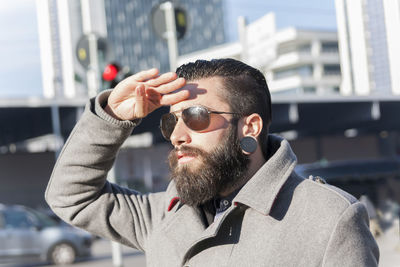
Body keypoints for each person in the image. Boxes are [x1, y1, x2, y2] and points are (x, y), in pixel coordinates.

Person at [46, 58, 379, 266]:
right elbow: (71, 196)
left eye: (195, 117)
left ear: (249, 127)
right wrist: (111, 116)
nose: (177, 135)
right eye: (171, 121)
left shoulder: (328, 219)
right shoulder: (163, 214)